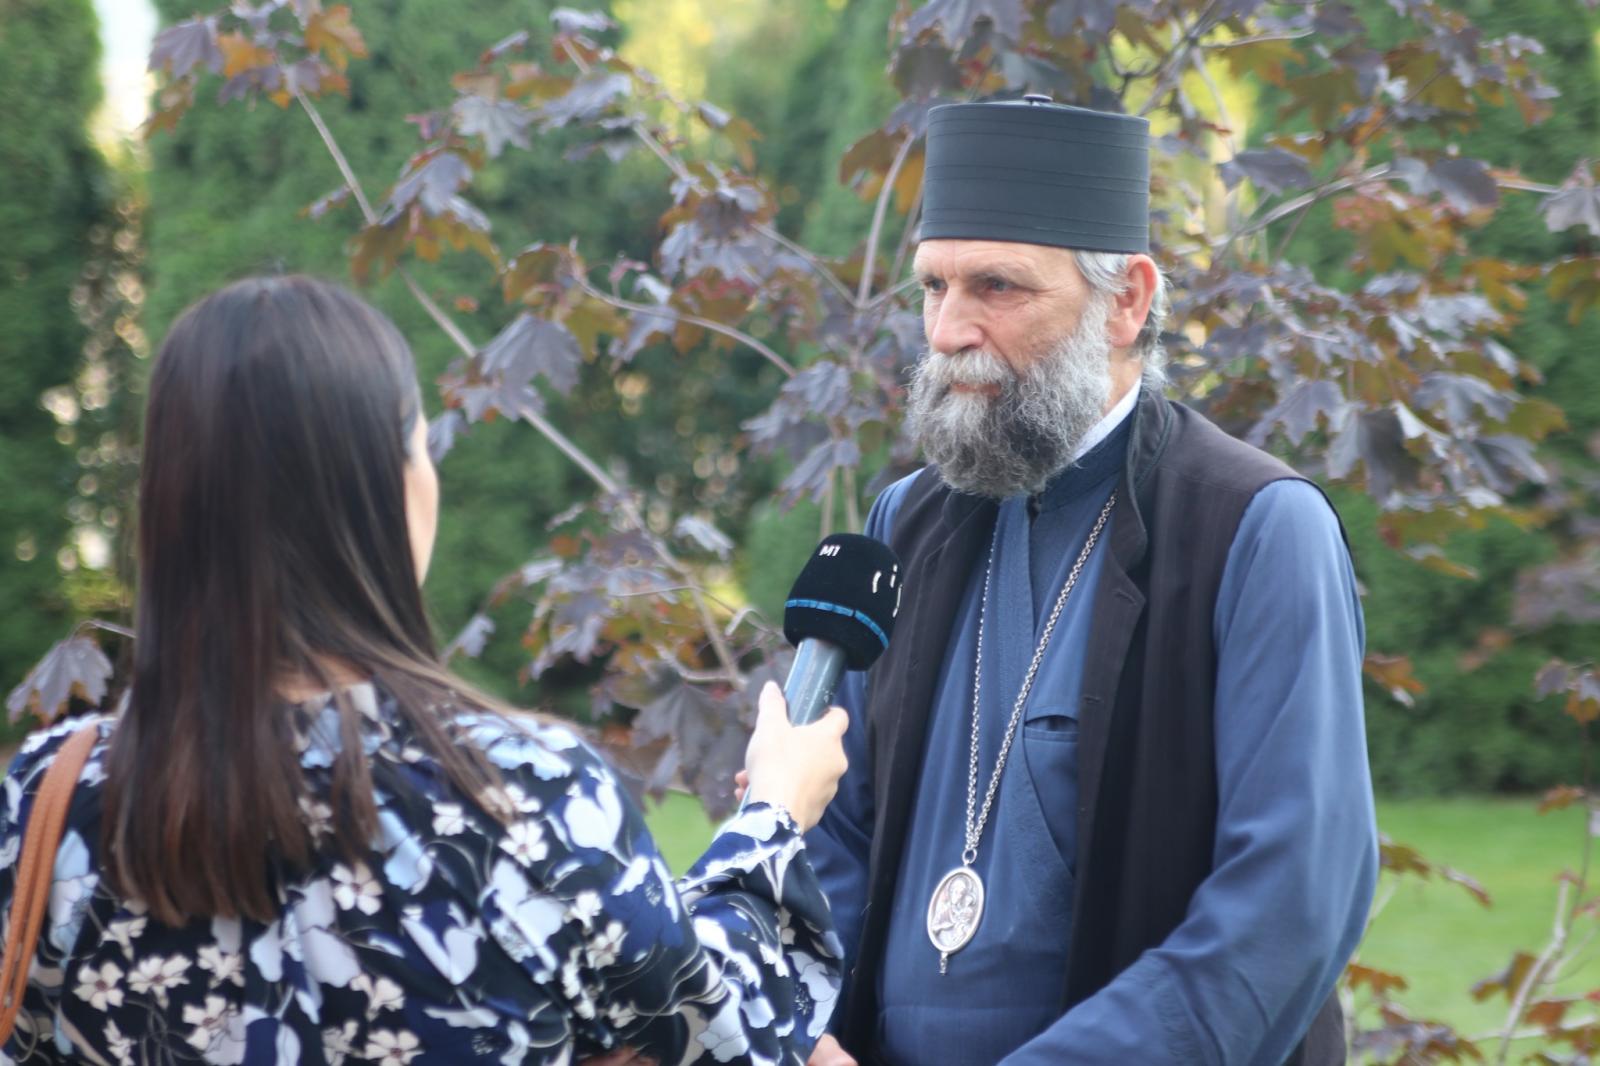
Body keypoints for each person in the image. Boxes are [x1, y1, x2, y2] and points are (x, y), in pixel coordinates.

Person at [0, 275, 850, 1065]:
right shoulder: (518, 795)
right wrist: (775, 813)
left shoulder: (51, 801)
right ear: (386, 488)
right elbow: (719, 1030)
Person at [804, 99, 1379, 1065]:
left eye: (996, 287)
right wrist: (805, 1026)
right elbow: (831, 834)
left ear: (1126, 302)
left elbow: (1290, 900)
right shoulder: (905, 522)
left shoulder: (1256, 529)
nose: (948, 330)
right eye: (934, 286)